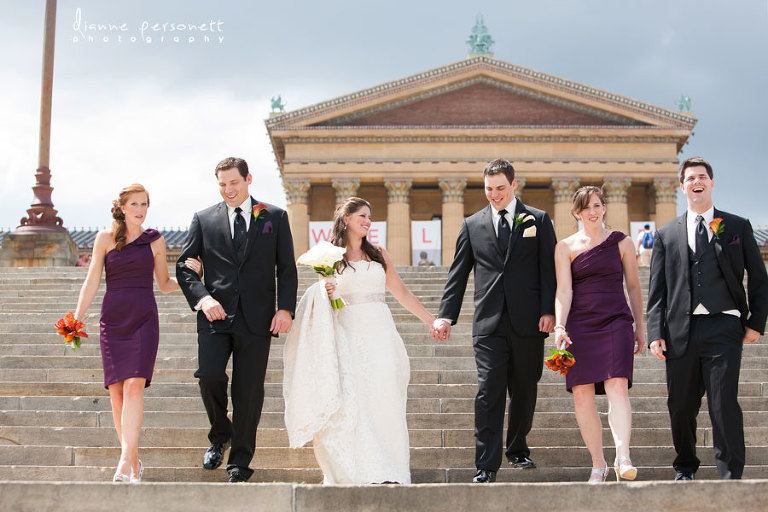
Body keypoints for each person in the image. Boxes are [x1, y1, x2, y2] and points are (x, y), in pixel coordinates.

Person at [283, 197, 435, 484]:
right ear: (346, 219)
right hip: (347, 332)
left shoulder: (379, 254)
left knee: (384, 397)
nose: (368, 221)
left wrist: (432, 320)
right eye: (362, 216)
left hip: (380, 332)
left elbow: (401, 294)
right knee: (354, 401)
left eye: (370, 216)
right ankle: (357, 468)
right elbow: (322, 298)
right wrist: (324, 291)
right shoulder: (330, 258)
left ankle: (389, 467)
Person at [432, 158, 557, 483]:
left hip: (529, 322)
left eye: (500, 188)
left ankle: (517, 448)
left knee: (525, 388)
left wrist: (549, 311)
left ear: (514, 185)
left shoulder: (539, 220)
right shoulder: (472, 225)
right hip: (488, 324)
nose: (495, 194)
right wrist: (446, 315)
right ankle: (486, 465)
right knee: (489, 391)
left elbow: (549, 269)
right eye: (489, 189)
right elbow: (457, 275)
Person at [176, 157, 298, 483]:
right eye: (222, 184)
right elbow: (185, 268)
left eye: (234, 182)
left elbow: (286, 268)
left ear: (248, 180)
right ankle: (220, 433)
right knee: (210, 375)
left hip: (258, 319)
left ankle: (240, 463)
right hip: (215, 316)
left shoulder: (274, 217)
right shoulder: (203, 219)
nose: (228, 190)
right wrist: (204, 298)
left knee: (248, 392)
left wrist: (285, 309)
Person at [647, 156, 768, 480]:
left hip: (723, 326)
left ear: (711, 183)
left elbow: (758, 277)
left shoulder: (736, 226)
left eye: (702, 176)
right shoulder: (666, 234)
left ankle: (731, 473)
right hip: (680, 330)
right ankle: (685, 466)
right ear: (682, 185)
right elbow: (657, 290)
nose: (696, 182)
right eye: (690, 178)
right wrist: (654, 332)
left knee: (723, 402)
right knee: (681, 407)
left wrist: (756, 321)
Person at [73, 184, 201, 483]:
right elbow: (92, 281)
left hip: (144, 317)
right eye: (135, 204)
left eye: (145, 204)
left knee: (134, 386)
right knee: (116, 393)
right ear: (122, 207)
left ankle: (122, 462)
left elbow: (165, 283)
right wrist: (76, 319)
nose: (141, 210)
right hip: (113, 319)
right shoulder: (104, 238)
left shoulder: (155, 240)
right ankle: (133, 461)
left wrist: (194, 276)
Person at [553, 186, 645, 483]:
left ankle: (623, 456)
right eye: (585, 208)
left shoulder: (623, 243)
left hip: (616, 321)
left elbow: (633, 286)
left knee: (617, 386)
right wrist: (559, 325)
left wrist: (640, 326)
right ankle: (598, 463)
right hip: (580, 324)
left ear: (604, 207)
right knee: (582, 395)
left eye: (596, 205)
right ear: (576, 213)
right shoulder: (565, 247)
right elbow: (564, 291)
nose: (592, 212)